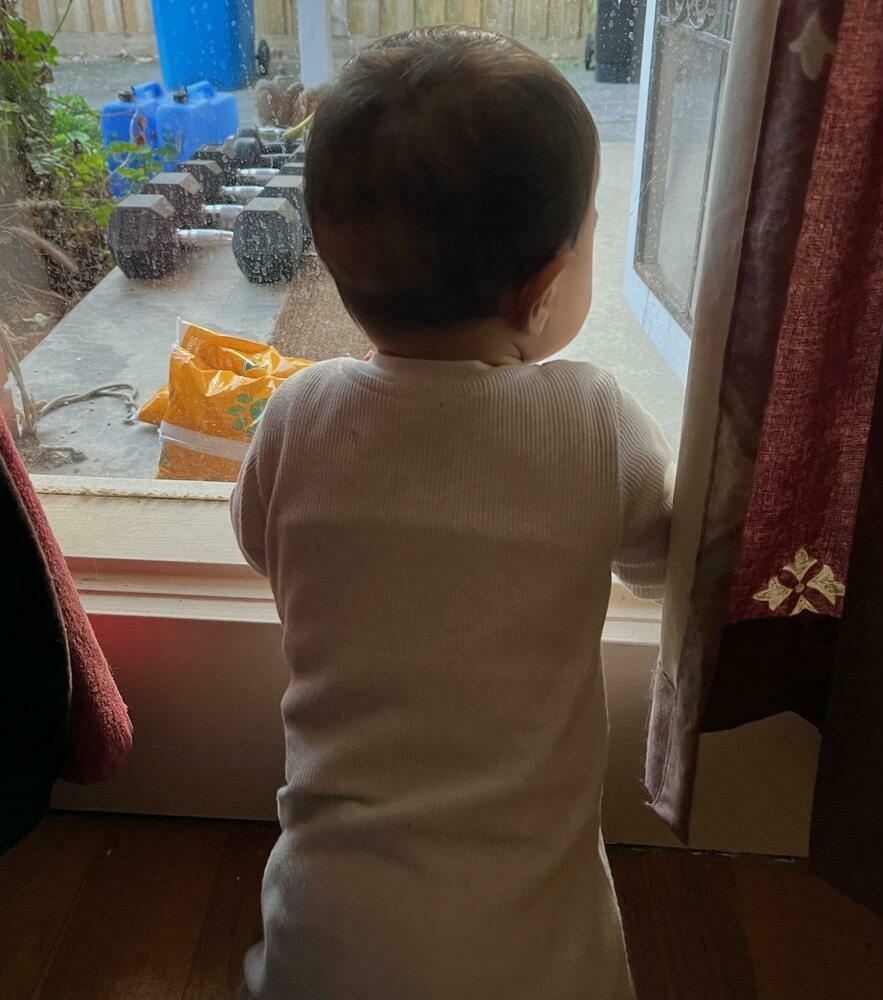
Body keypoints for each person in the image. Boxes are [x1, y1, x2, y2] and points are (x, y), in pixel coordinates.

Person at [231, 26, 674, 1000]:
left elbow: (260, 540)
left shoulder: (299, 413)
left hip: (323, 944)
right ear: (546, 289)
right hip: (535, 961)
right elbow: (665, 563)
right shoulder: (591, 420)